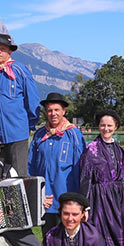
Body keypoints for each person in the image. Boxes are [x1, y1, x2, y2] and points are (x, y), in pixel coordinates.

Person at [79, 109, 124, 246]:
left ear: (116, 127)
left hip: (119, 201)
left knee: (121, 240)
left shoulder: (119, 149)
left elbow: (122, 177)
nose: (106, 128)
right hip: (100, 201)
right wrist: (85, 207)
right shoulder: (91, 150)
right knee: (101, 240)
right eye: (103, 125)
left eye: (109, 125)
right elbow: (85, 180)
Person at [0, 34, 40, 176]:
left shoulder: (20, 70)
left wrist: (26, 126)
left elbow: (32, 101)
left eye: (2, 49)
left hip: (17, 135)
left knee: (18, 176)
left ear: (10, 52)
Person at [28, 92, 85, 235]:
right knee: (48, 238)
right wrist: (37, 195)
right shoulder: (40, 135)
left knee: (69, 240)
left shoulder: (74, 135)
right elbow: (31, 167)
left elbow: (81, 168)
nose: (53, 114)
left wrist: (79, 200)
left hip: (67, 199)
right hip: (46, 200)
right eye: (49, 110)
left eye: (56, 110)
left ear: (64, 111)